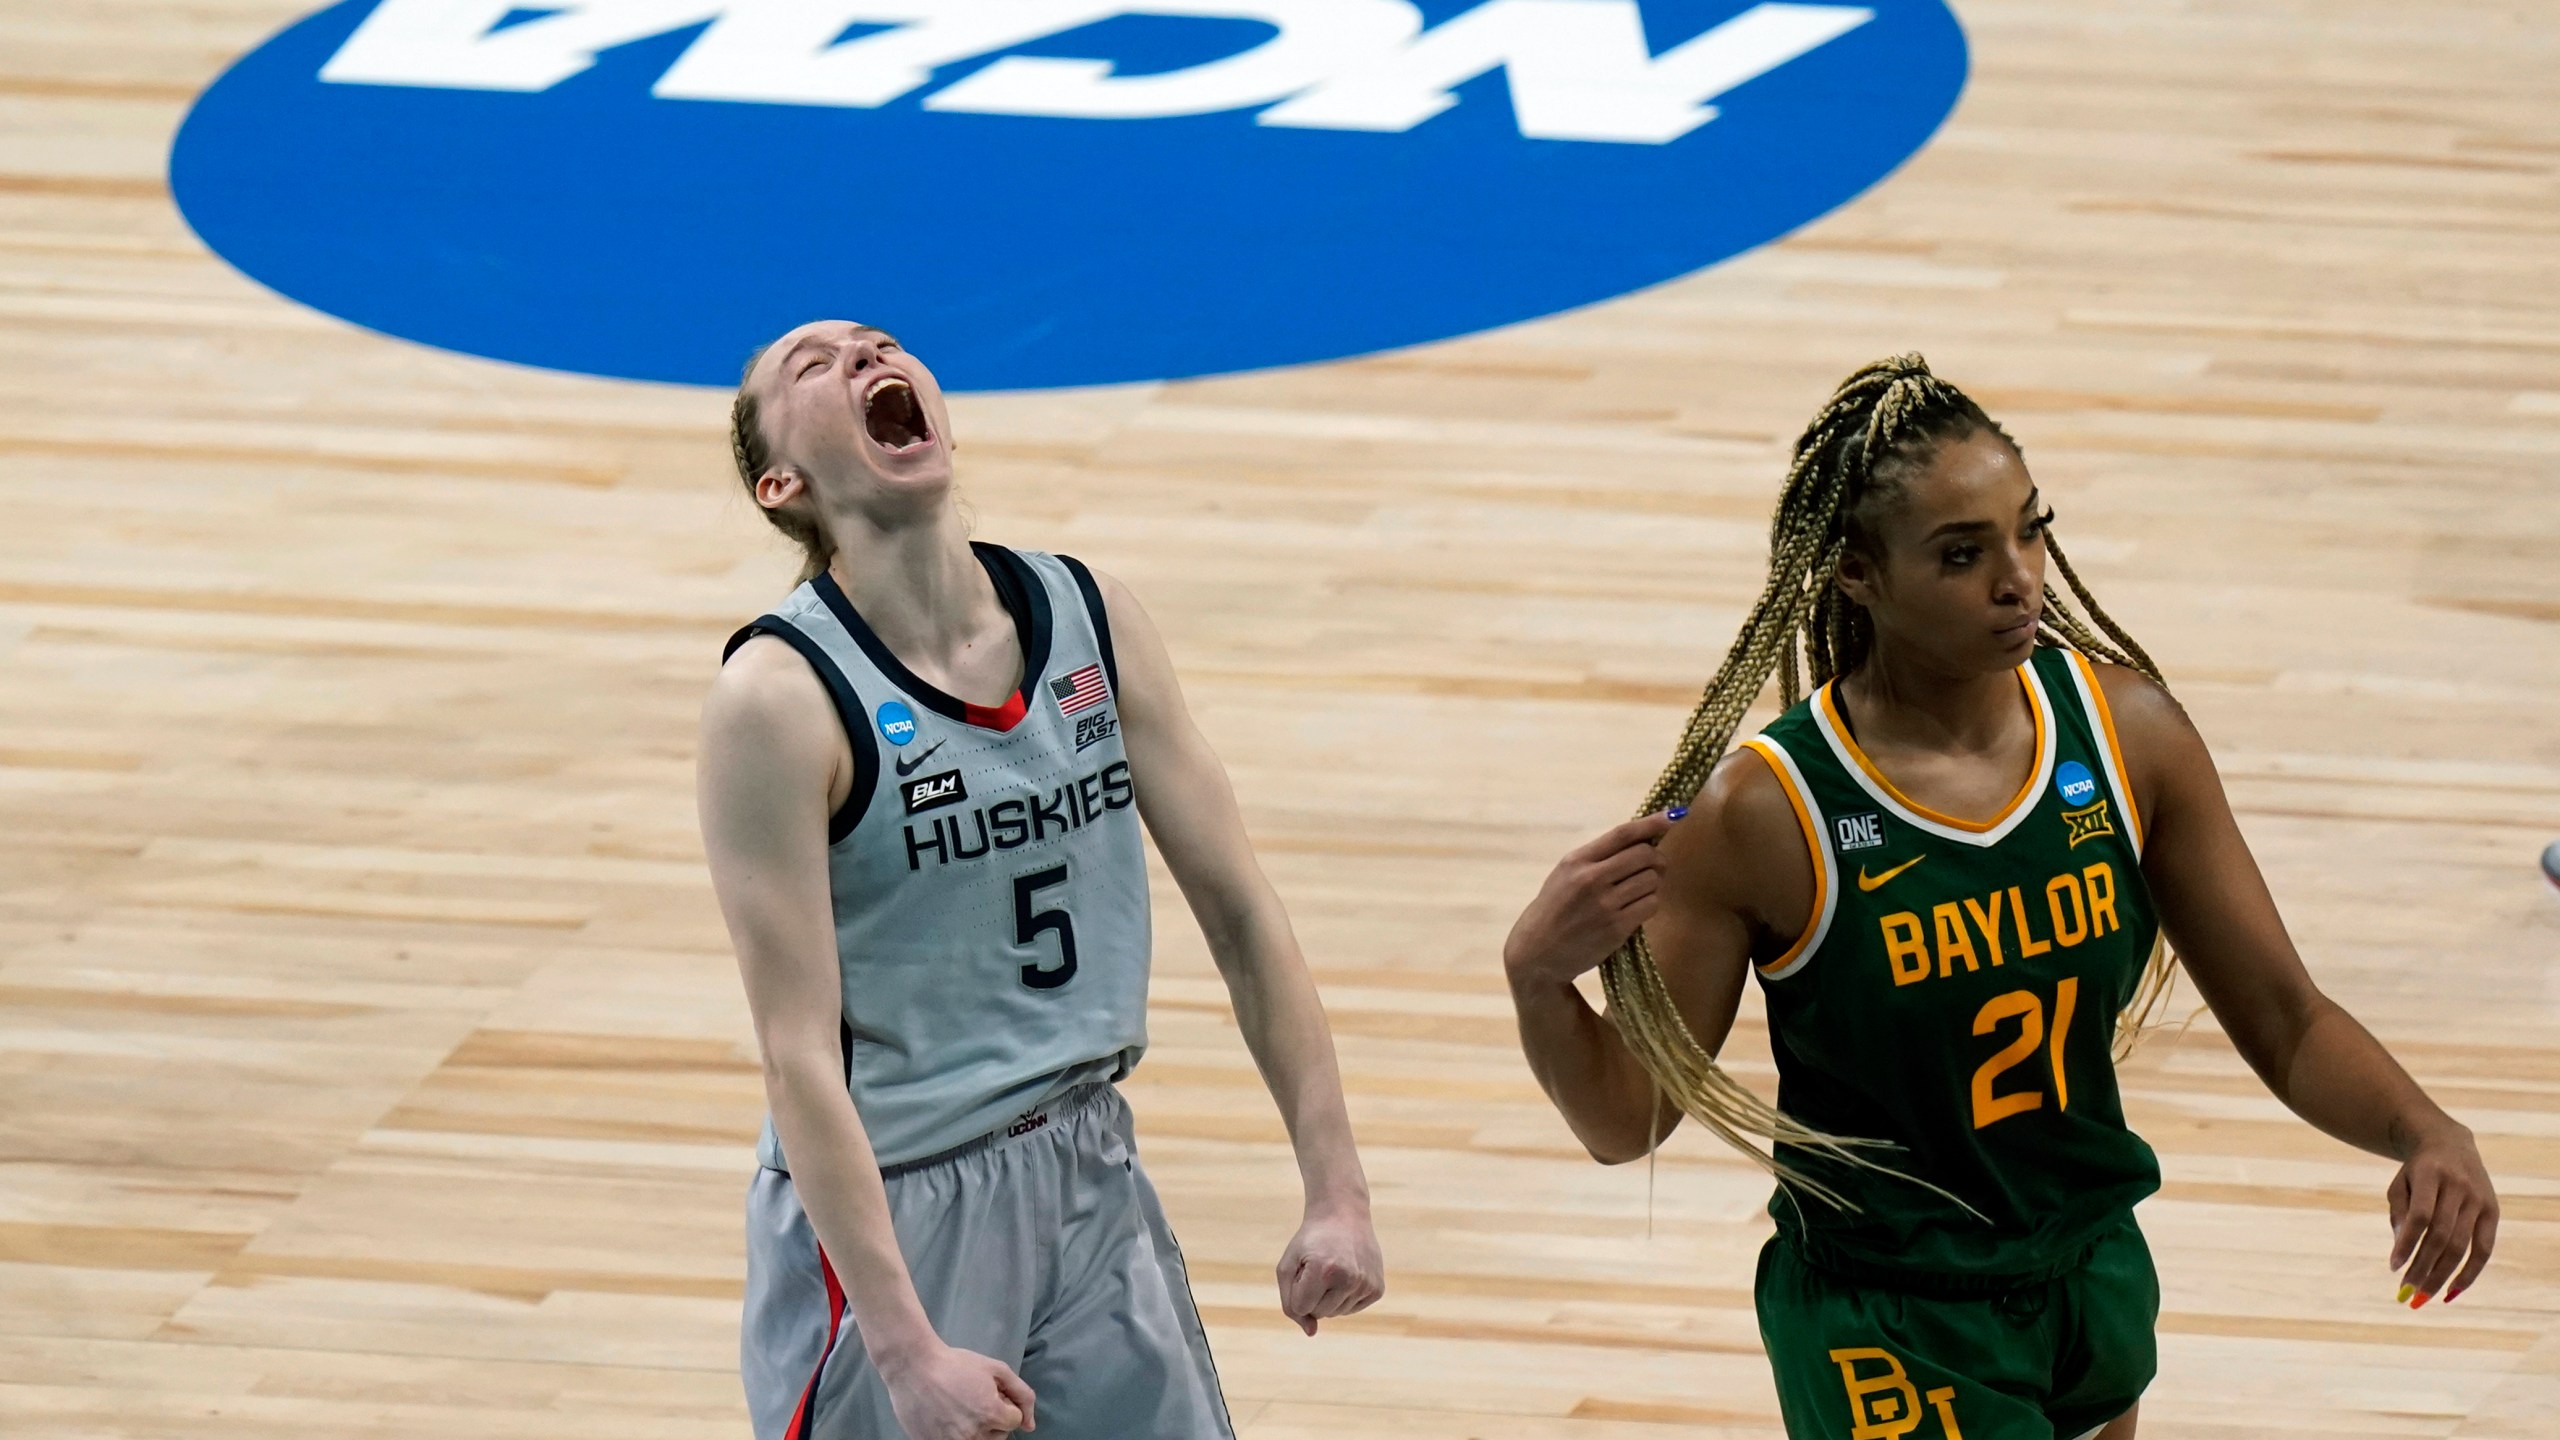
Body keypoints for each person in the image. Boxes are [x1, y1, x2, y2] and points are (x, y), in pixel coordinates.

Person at [1499, 356, 2498, 1440]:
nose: (2018, 578)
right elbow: (1625, 1119)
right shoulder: (1765, 813)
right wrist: (1537, 979)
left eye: (2030, 530)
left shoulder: (2128, 735)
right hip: (1891, 1316)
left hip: (2086, 1268)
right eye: (1961, 554)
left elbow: (2284, 1017)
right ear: (1856, 574)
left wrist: (2424, 1130)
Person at [697, 320, 1384, 1440]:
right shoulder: (776, 698)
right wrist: (905, 1347)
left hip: (1086, 1160)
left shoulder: (1087, 613)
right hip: (895, 1205)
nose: (867, 359)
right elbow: (796, 1055)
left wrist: (1337, 1190)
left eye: (881, 345)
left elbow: (1242, 914)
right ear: (782, 485)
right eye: (814, 367)